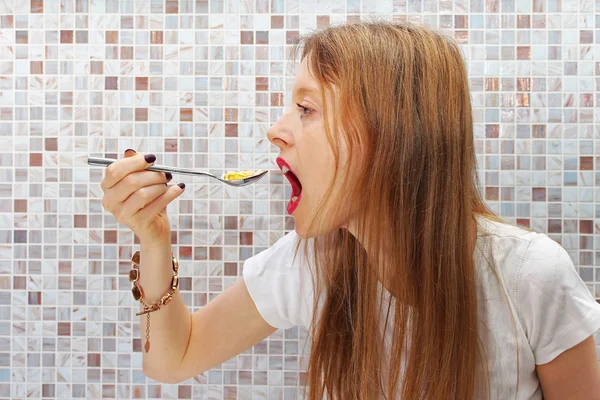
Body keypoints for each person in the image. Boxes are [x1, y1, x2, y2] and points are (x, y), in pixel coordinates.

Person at [99, 22, 600, 399]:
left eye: (307, 108)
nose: (275, 130)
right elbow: (173, 358)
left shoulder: (530, 276)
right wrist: (153, 236)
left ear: (393, 137)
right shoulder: (310, 262)